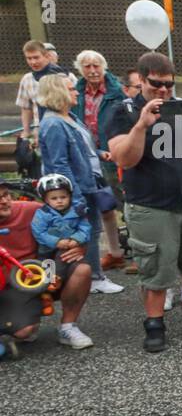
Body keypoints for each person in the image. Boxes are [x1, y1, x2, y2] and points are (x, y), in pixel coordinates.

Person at [106, 52, 182, 352]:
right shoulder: (123, 111)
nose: (163, 91)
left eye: (169, 85)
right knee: (155, 269)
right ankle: (155, 322)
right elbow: (124, 159)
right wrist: (141, 126)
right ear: (141, 80)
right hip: (151, 206)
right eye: (156, 84)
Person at [36, 75, 119, 295]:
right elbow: (59, 164)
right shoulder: (54, 123)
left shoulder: (70, 117)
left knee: (92, 229)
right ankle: (93, 278)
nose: (76, 92)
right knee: (86, 231)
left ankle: (94, 275)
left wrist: (99, 154)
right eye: (71, 89)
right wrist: (73, 196)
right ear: (58, 93)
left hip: (89, 183)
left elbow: (82, 149)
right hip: (79, 188)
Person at [0, 179, 93, 353]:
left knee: (82, 269)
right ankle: (17, 321)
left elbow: (76, 225)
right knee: (23, 332)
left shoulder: (34, 210)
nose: (5, 201)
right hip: (6, 284)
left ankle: (68, 327)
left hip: (40, 272)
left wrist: (79, 245)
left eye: (6, 195)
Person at [73, 50, 129, 275]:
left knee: (126, 202)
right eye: (87, 66)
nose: (93, 70)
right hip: (87, 156)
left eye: (96, 65)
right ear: (80, 69)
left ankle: (138, 251)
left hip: (112, 154)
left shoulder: (116, 92)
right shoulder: (76, 91)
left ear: (104, 67)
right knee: (103, 207)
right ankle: (115, 253)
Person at [17, 39, 70, 142]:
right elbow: (26, 108)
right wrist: (26, 131)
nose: (33, 62)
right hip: (41, 130)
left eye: (36, 57)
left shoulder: (65, 76)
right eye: (29, 58)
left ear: (46, 56)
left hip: (64, 128)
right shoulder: (27, 79)